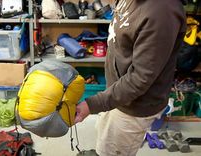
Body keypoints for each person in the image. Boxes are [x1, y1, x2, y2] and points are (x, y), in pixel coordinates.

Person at [75, 0, 187, 155]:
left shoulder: (162, 10)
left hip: (133, 106)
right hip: (116, 95)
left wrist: (93, 104)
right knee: (105, 143)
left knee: (110, 151)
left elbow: (140, 78)